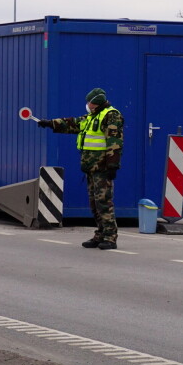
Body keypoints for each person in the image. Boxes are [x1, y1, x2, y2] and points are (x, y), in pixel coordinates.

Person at [38, 88, 124, 250]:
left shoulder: (111, 116)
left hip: (102, 167)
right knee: (94, 203)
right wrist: (50, 123)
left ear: (95, 102)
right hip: (91, 167)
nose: (87, 104)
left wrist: (112, 165)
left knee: (104, 202)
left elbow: (115, 141)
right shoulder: (92, 116)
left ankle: (110, 237)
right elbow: (73, 123)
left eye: (89, 101)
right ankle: (100, 234)